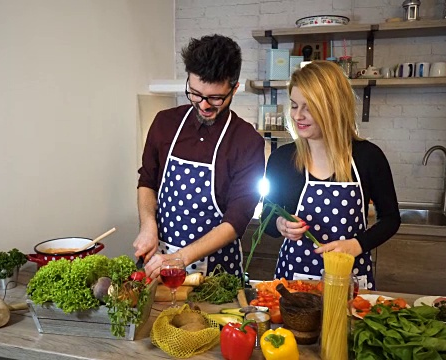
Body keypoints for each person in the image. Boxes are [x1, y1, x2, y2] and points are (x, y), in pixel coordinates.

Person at [134, 34, 265, 280]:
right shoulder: (164, 123)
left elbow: (237, 219)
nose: (204, 105)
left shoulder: (248, 142)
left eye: (215, 98)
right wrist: (148, 224)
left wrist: (181, 258)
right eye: (195, 93)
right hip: (157, 262)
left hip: (217, 275)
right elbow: (147, 181)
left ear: (234, 88)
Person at [262, 60, 400, 290]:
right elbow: (267, 214)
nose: (298, 116)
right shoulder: (282, 160)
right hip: (295, 282)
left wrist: (357, 245)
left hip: (350, 280)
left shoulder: (368, 157)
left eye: (309, 107)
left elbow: (391, 218)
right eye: (294, 105)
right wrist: (280, 224)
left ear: (333, 107)